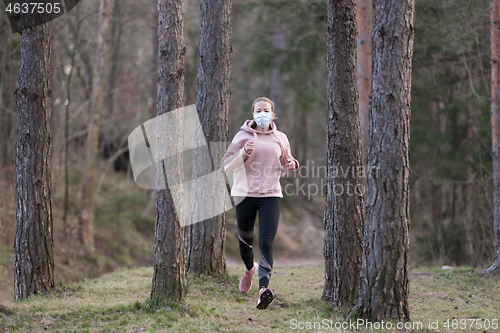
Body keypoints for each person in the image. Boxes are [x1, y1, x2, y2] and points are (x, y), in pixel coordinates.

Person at [221, 96, 299, 309]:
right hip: (244, 194)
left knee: (266, 242)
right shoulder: (241, 136)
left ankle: (263, 289)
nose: (262, 114)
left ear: (272, 114)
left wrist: (292, 165)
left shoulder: (280, 137)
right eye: (258, 110)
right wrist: (242, 153)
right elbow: (225, 165)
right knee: (245, 245)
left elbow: (286, 162)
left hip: (271, 196)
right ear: (253, 114)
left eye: (266, 110)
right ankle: (249, 270)